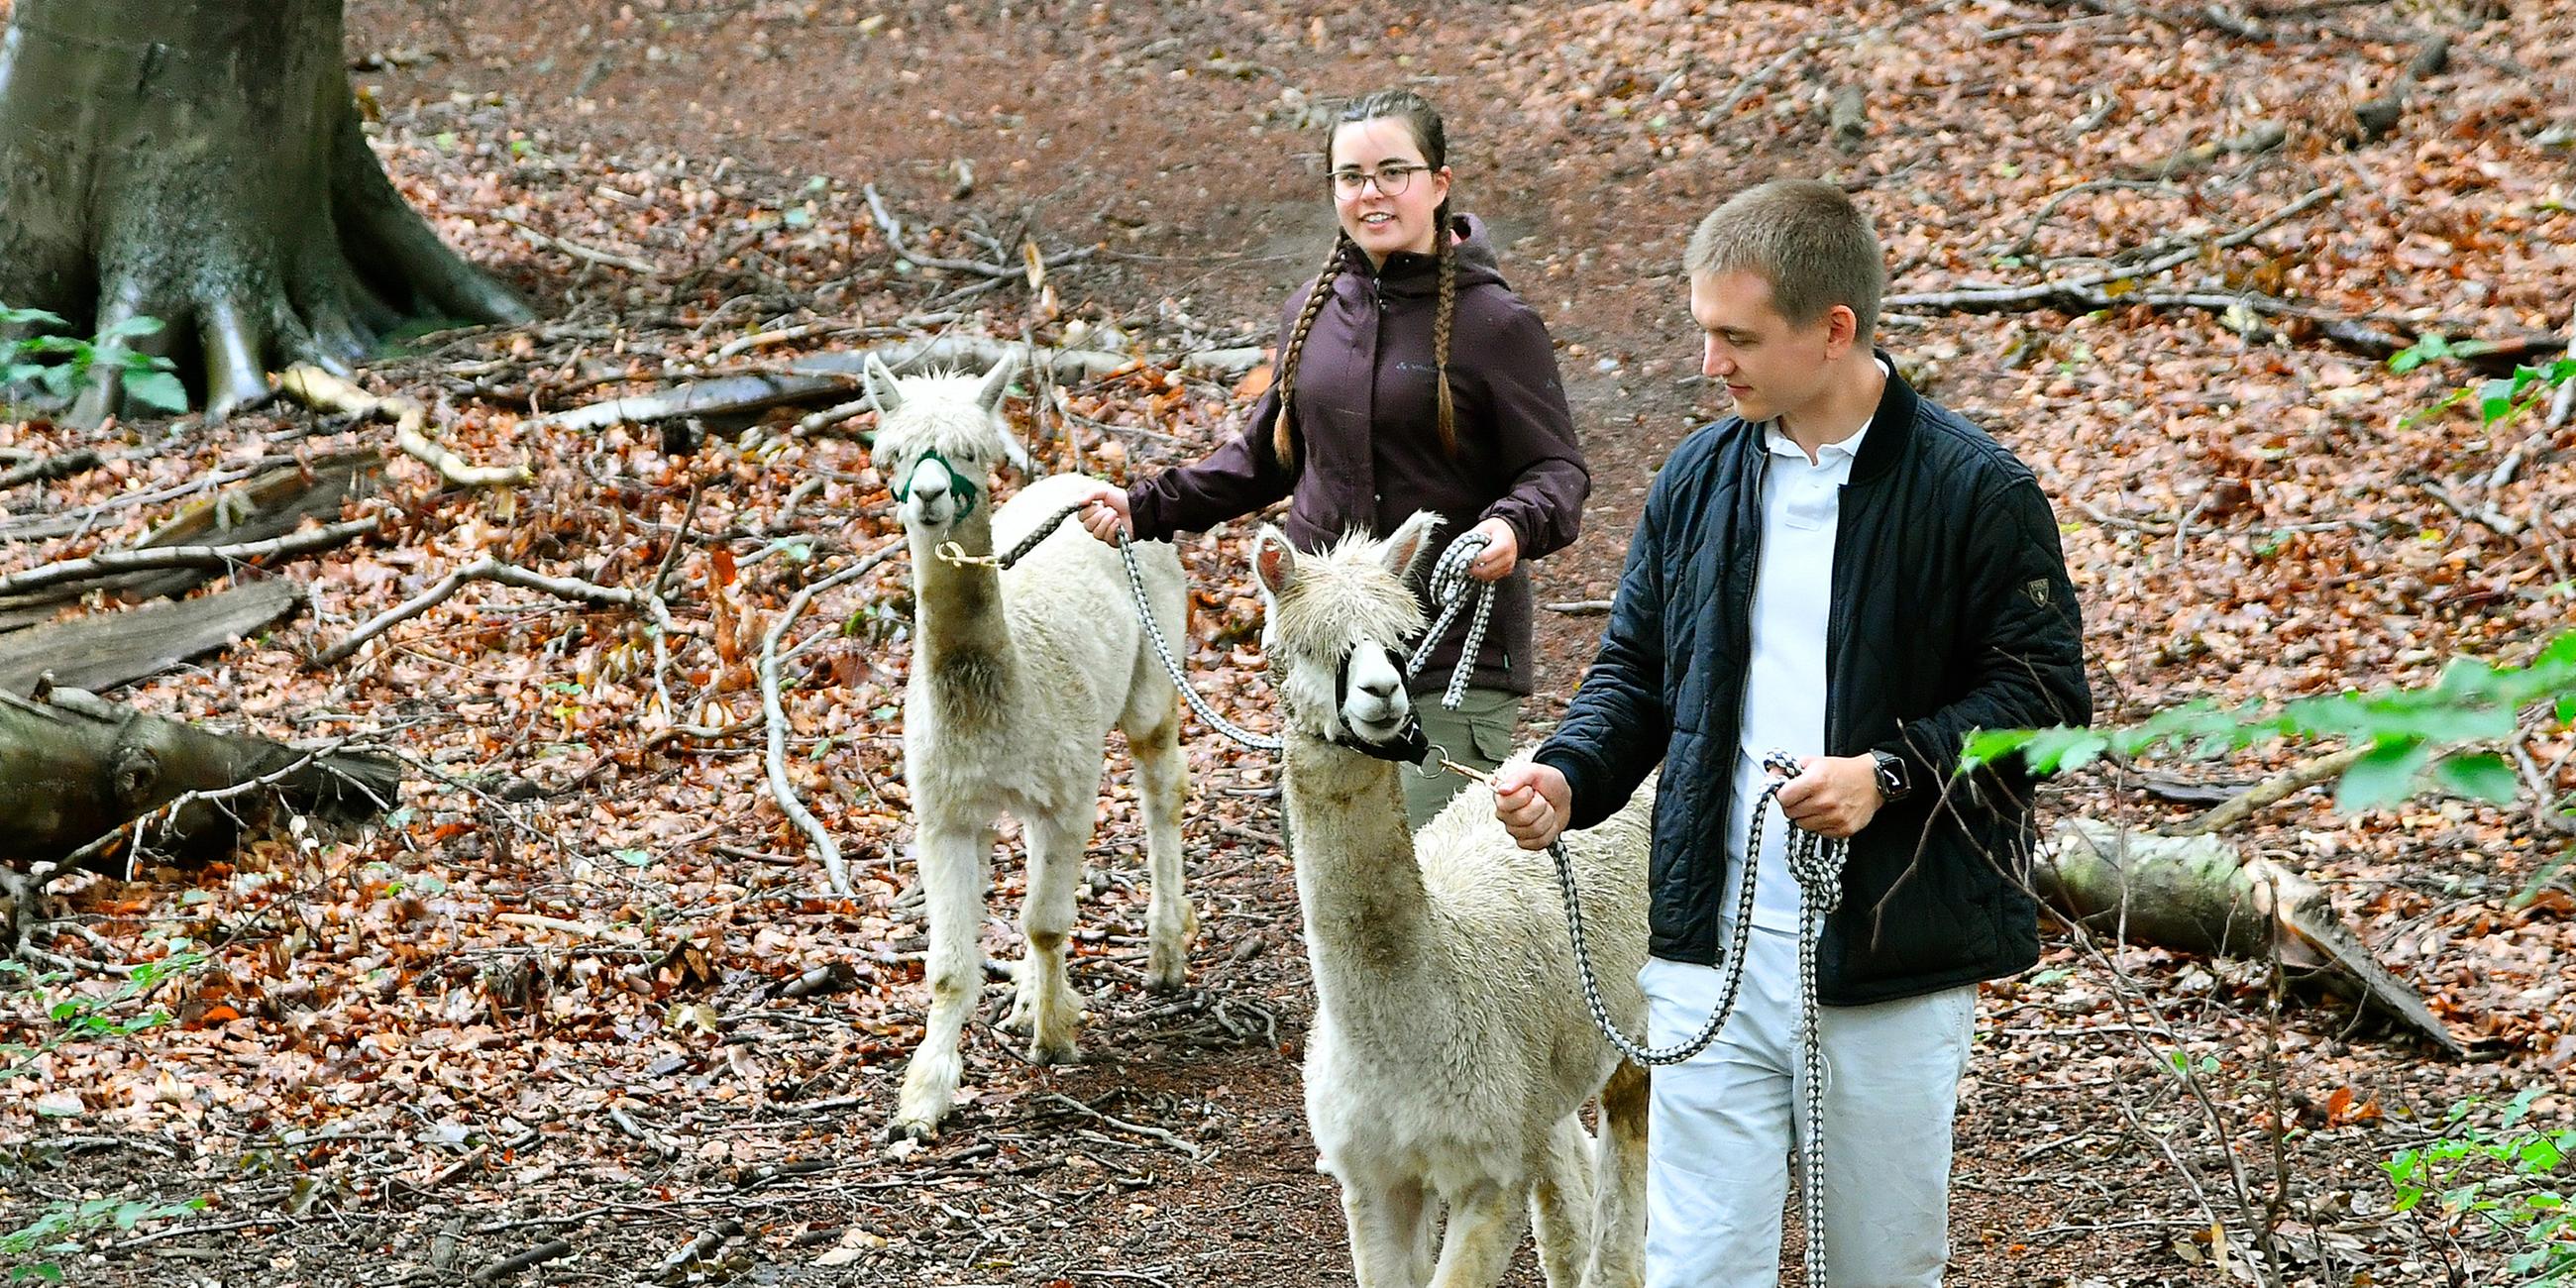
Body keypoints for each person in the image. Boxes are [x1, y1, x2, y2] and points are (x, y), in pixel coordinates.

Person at [1491, 179, 2091, 1286]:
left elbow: (2044, 697)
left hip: (1889, 957)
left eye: (1736, 337)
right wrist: (1570, 775)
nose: (1710, 363)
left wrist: (1886, 773)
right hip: (1709, 945)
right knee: (1693, 1266)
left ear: (1832, 331)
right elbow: (1636, 674)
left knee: (1875, 1266)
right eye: (1701, 332)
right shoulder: (1697, 477)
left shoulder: (1977, 492)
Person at [1070, 88, 1587, 828]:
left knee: (1433, 892)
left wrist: (1510, 527)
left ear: (1438, 184)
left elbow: (1557, 472)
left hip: (1445, 658)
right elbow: (1266, 458)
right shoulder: (1313, 310)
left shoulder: (1496, 324)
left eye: (1392, 172)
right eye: (1351, 176)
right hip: (1326, 661)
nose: (1370, 193)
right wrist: (1147, 505)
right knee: (1343, 894)